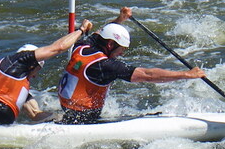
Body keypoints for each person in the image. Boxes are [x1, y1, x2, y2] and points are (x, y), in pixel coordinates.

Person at [57, 7, 205, 124]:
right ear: (110, 44)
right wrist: (186, 75)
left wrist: (120, 19)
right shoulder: (105, 66)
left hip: (67, 109)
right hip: (84, 119)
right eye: (121, 49)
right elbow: (148, 75)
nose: (121, 53)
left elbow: (101, 31)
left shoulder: (82, 46)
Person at [0, 20, 94, 126]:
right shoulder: (18, 61)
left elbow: (35, 114)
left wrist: (62, 119)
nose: (35, 75)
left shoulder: (12, 83)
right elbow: (58, 48)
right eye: (38, 69)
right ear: (33, 63)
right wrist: (81, 30)